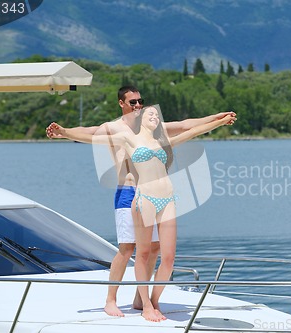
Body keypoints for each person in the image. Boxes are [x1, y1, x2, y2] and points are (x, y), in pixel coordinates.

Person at [46, 86, 236, 317]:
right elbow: (89, 133)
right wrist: (64, 131)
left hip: (156, 195)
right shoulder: (114, 128)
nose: (138, 106)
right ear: (121, 103)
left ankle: (141, 298)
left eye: (140, 102)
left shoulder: (153, 128)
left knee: (155, 248)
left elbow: (186, 125)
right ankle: (111, 299)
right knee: (127, 248)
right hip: (128, 192)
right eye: (133, 102)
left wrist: (216, 117)